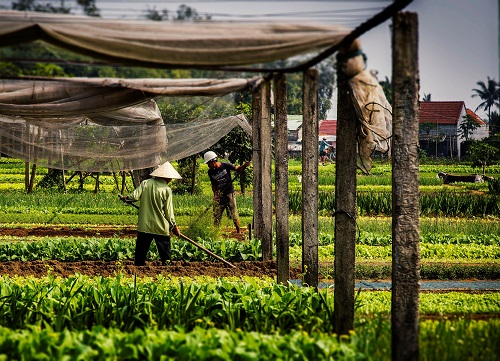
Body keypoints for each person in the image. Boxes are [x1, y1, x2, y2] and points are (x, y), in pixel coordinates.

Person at [120, 161, 182, 266]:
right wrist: (174, 226)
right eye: (171, 178)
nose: (171, 180)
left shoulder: (146, 183)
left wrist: (127, 198)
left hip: (145, 225)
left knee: (140, 255)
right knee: (166, 256)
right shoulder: (167, 190)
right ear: (167, 177)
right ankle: (168, 271)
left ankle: (138, 271)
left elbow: (134, 197)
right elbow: (169, 212)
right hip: (160, 226)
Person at [203, 151, 250, 234]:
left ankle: (239, 231)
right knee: (217, 215)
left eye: (208, 163)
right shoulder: (210, 172)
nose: (208, 165)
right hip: (219, 195)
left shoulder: (226, 166)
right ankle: (215, 233)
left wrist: (244, 165)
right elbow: (213, 184)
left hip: (229, 194)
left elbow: (237, 169)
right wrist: (215, 195)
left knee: (233, 213)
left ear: (213, 161)